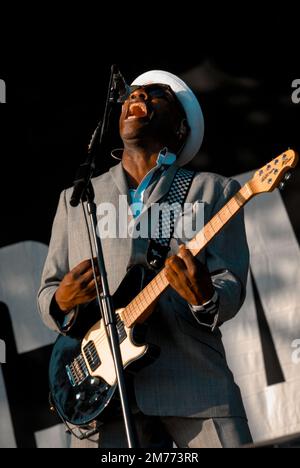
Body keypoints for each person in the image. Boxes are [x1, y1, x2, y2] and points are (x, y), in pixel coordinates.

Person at [38, 70, 253, 448]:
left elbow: (229, 284)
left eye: (158, 96)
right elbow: (49, 293)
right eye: (133, 94)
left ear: (180, 128)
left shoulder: (214, 190)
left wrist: (203, 295)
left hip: (195, 386)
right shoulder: (77, 199)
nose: (139, 96)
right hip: (103, 399)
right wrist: (62, 300)